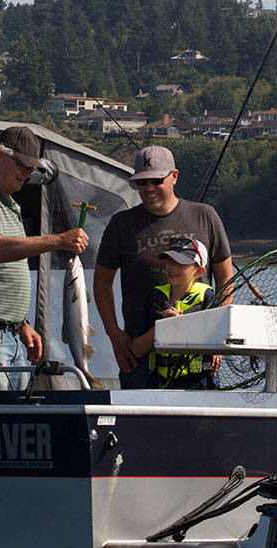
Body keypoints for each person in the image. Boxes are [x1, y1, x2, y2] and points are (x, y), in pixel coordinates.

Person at [0, 125, 88, 389]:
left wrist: (21, 325)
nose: (28, 173)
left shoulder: (7, 204)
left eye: (31, 167)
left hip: (5, 337)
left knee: (11, 415)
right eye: (22, 164)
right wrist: (58, 240)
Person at [94, 145, 233, 382]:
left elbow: (226, 280)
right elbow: (102, 282)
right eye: (141, 182)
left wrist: (218, 337)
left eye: (156, 181)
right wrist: (114, 335)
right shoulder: (121, 224)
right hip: (139, 355)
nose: (148, 189)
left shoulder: (205, 215)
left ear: (174, 177)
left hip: (198, 354)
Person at [124, 237, 215, 389]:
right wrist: (162, 327)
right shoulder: (154, 298)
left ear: (199, 271)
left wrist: (183, 325)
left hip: (198, 385)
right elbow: (138, 349)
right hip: (159, 384)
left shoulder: (207, 298)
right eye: (170, 260)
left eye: (180, 263)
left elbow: (216, 343)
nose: (172, 267)